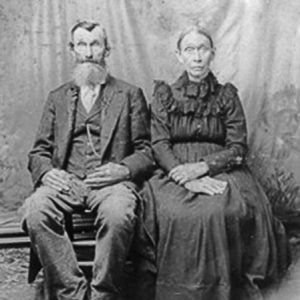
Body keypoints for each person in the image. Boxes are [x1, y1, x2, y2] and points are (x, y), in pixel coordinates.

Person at [147, 25, 290, 300]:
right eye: (190, 50)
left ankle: (219, 290)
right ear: (179, 56)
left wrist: (203, 167)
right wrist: (183, 174)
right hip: (173, 168)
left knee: (219, 212)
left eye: (203, 49)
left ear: (212, 53)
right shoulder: (164, 95)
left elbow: (238, 147)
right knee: (177, 214)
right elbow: (159, 144)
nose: (197, 57)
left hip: (223, 167)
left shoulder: (226, 95)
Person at [21, 21, 155, 300]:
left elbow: (147, 151)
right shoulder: (57, 97)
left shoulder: (129, 94)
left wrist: (122, 169)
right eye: (81, 44)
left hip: (111, 186)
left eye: (95, 44)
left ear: (107, 49)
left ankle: (103, 293)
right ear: (72, 50)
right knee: (35, 211)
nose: (89, 51)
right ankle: (71, 290)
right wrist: (47, 174)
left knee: (118, 215)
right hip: (65, 182)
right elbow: (38, 152)